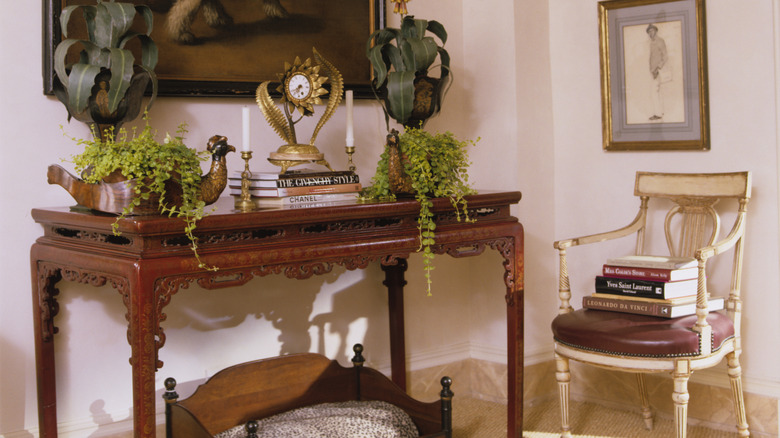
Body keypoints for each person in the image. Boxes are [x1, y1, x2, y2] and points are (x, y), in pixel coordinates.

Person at [647, 23, 668, 121]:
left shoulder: (660, 41)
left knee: (654, 92)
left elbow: (665, 56)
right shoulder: (652, 43)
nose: (650, 33)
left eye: (652, 31)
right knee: (658, 91)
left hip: (658, 71)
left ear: (656, 31)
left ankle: (658, 114)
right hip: (653, 71)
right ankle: (661, 112)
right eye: (649, 32)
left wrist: (657, 69)